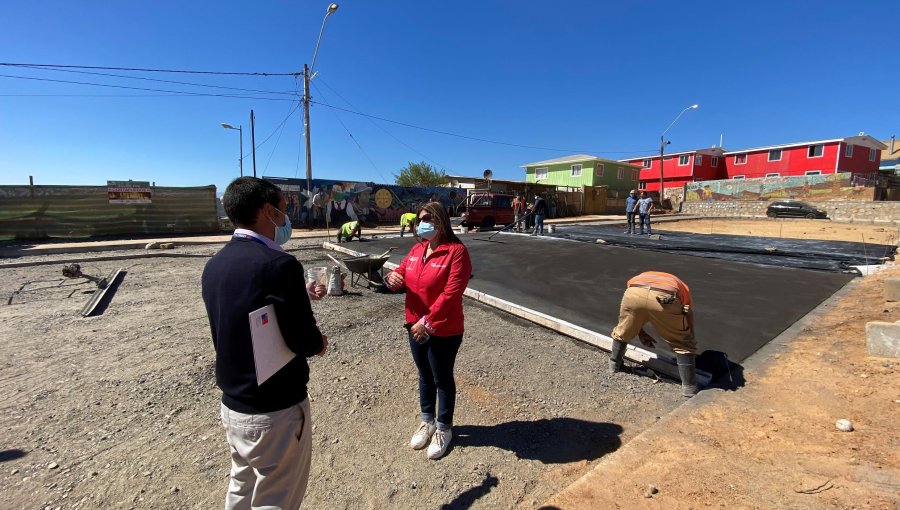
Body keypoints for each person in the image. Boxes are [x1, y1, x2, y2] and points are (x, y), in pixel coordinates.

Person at [201, 176, 328, 509]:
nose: (287, 219)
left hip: (234, 407)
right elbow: (303, 339)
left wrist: (297, 297)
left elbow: (248, 308)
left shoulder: (215, 265)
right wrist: (320, 343)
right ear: (267, 211)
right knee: (276, 499)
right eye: (284, 209)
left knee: (241, 489)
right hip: (276, 412)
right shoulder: (279, 265)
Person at [384, 202, 472, 460]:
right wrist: (391, 279)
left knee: (442, 378)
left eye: (429, 219)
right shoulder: (417, 249)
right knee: (424, 374)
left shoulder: (456, 252)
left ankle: (444, 428)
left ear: (442, 221)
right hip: (414, 325)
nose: (424, 223)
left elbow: (452, 294)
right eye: (421, 219)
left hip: (444, 328)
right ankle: (427, 421)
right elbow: (398, 276)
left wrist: (428, 322)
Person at [608, 271, 697, 397]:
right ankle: (689, 388)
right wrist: (689, 336)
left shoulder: (639, 277)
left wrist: (641, 333)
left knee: (623, 331)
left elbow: (634, 316)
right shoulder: (683, 287)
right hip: (665, 297)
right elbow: (687, 311)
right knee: (682, 343)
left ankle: (614, 365)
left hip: (634, 292)